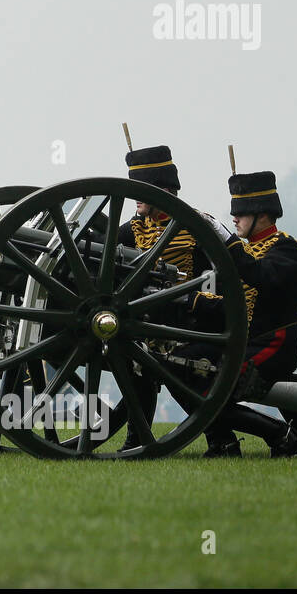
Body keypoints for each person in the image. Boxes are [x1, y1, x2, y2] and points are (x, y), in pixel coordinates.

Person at [189, 170, 297, 456]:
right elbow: (227, 303)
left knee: (214, 397)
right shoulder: (246, 252)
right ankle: (229, 441)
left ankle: (282, 436)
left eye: (241, 213)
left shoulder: (286, 247)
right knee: (185, 369)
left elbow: (261, 275)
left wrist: (229, 242)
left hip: (275, 344)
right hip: (244, 343)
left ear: (261, 214)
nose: (234, 219)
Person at [115, 144, 212, 450]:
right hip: (145, 322)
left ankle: (222, 439)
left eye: (143, 189)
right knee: (136, 367)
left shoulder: (195, 227)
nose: (136, 197)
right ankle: (136, 439)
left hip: (187, 322)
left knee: (182, 387)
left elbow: (216, 281)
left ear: (163, 190)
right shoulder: (131, 230)